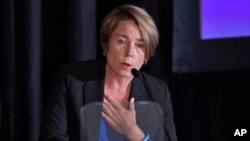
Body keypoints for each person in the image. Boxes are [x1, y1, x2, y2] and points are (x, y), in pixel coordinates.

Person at [42, 4, 177, 141]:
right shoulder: (71, 79)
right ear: (106, 44)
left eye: (139, 45)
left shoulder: (157, 92)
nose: (130, 53)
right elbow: (51, 137)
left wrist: (133, 132)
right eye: (122, 41)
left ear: (146, 54)